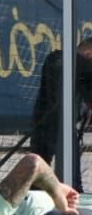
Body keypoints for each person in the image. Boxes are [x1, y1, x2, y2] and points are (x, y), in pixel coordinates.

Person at [28, 39, 92, 182]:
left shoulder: (81, 74)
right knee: (38, 178)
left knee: (71, 179)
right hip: (47, 127)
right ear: (89, 54)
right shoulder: (58, 59)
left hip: (65, 130)